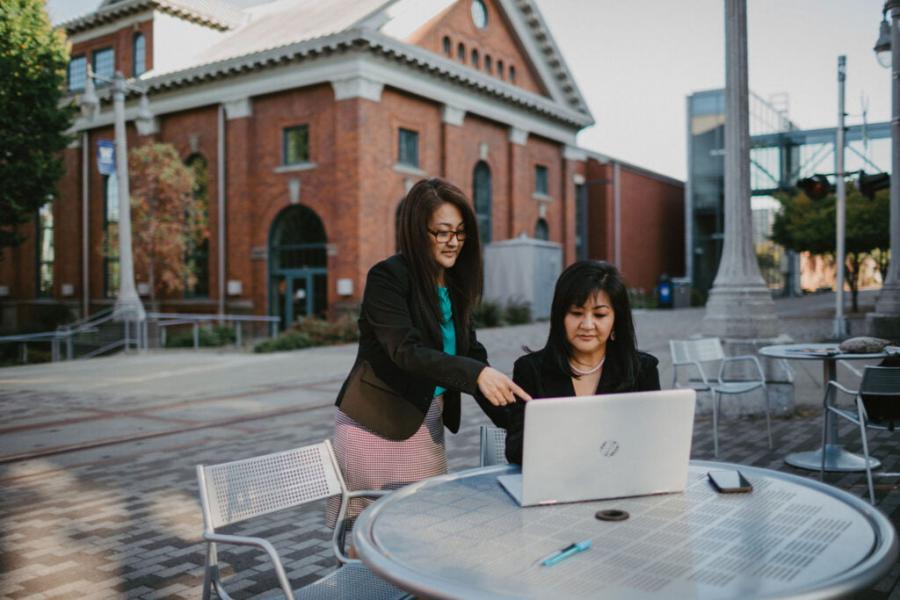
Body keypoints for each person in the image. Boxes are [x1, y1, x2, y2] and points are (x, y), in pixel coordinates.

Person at [330, 177, 530, 521]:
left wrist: (525, 419)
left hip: (426, 424)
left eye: (461, 232)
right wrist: (476, 374)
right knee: (370, 540)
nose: (454, 242)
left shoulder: (454, 286)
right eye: (442, 232)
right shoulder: (387, 278)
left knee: (421, 530)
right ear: (416, 231)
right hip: (375, 427)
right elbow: (405, 351)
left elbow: (471, 358)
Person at [505, 260, 660, 464]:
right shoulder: (531, 370)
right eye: (576, 313)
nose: (587, 325)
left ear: (616, 321)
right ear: (560, 317)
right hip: (555, 484)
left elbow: (656, 443)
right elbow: (515, 451)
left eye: (600, 315)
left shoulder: (642, 370)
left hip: (622, 483)